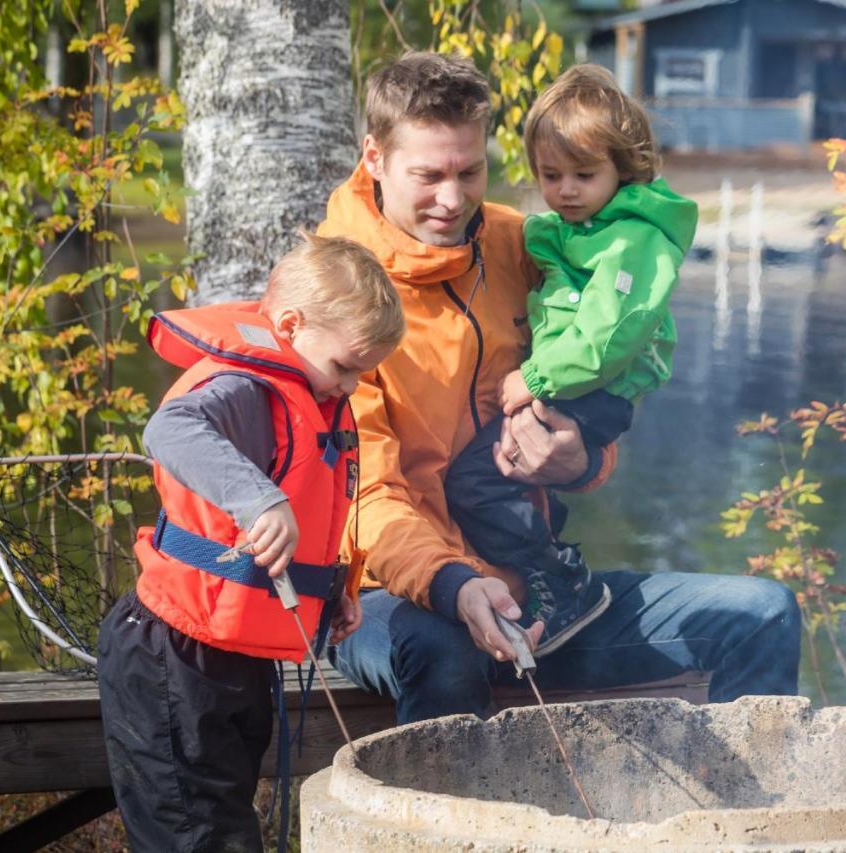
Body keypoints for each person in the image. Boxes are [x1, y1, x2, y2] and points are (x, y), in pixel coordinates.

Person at [320, 51, 801, 726]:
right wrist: (455, 583)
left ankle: (740, 827)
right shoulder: (335, 294)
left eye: (470, 171)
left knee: (761, 614)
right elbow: (362, 497)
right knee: (447, 650)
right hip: (387, 593)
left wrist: (580, 458)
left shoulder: (524, 245)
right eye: (428, 176)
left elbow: (599, 385)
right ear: (374, 158)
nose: (453, 199)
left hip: (542, 596)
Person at [97, 233, 404, 852]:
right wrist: (261, 498)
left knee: (228, 826)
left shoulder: (316, 398)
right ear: (290, 326)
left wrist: (333, 590)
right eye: (345, 366)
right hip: (172, 652)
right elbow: (171, 430)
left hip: (233, 659)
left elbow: (311, 518)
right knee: (195, 836)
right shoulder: (246, 386)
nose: (349, 387)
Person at [444, 64, 698, 654]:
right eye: (550, 175)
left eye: (585, 175)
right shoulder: (581, 229)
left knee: (478, 478)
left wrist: (534, 375)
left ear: (624, 168)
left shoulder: (632, 240)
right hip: (573, 382)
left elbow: (610, 336)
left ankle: (560, 579)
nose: (566, 191)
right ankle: (543, 576)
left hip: (590, 386)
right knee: (498, 473)